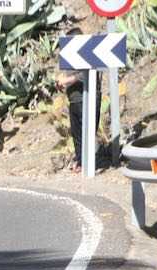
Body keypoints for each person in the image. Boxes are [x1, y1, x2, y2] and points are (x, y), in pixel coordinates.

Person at [57, 29, 101, 173]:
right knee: (77, 134)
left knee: (87, 132)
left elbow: (85, 75)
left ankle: (88, 164)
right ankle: (81, 161)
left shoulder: (90, 54)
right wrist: (61, 83)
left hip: (87, 99)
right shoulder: (71, 58)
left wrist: (68, 80)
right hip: (74, 100)